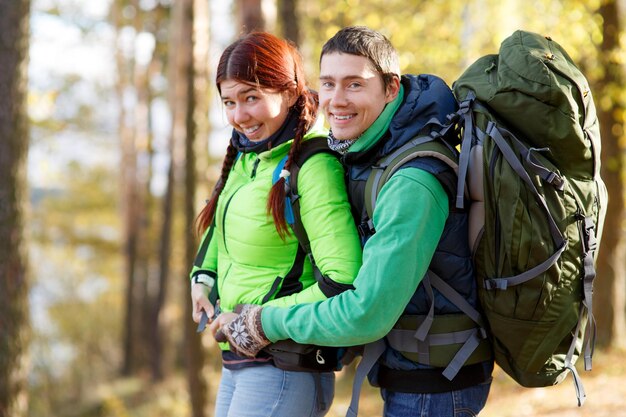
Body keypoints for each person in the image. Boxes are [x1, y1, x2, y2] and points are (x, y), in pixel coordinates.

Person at [212, 26, 494, 416]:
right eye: (327, 84)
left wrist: (265, 322)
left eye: (354, 85)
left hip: (435, 387)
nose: (336, 100)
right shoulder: (370, 151)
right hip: (410, 373)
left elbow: (365, 313)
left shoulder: (412, 181)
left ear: (391, 87)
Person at [190, 31, 362, 417]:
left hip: (284, 365)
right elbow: (220, 227)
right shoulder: (248, 157)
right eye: (229, 102)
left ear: (288, 91)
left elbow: (342, 280)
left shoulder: (313, 166)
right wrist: (203, 277)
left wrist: (255, 320)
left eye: (252, 97)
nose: (239, 116)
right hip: (240, 359)